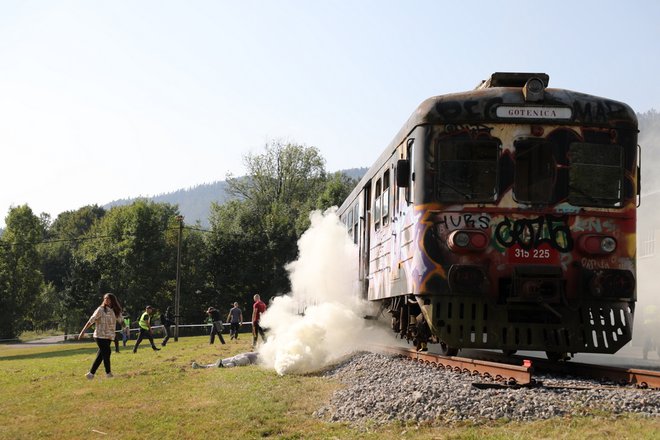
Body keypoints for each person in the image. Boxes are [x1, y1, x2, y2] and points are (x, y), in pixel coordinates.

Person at [78, 293, 124, 379]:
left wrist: (126, 328)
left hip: (109, 336)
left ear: (112, 300)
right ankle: (108, 373)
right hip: (99, 335)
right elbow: (91, 320)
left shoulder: (115, 310)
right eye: (105, 298)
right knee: (107, 352)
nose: (106, 300)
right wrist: (83, 331)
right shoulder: (100, 309)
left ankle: (91, 374)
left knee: (101, 355)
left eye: (108, 299)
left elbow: (121, 320)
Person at [191, 352, 259, 369]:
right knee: (221, 361)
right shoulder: (263, 351)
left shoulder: (265, 357)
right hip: (239, 355)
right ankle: (203, 367)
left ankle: (223, 366)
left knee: (235, 362)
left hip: (247, 359)